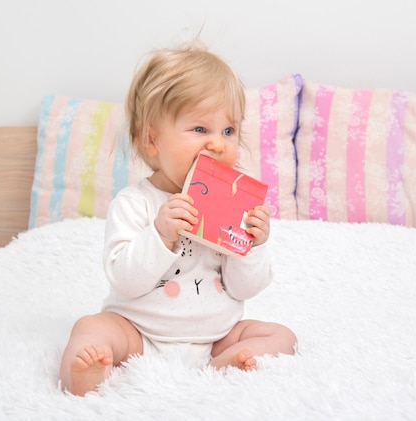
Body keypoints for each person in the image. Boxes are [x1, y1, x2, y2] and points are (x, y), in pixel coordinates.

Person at [59, 44, 297, 396]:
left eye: (228, 131)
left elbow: (243, 289)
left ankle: (219, 367)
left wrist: (253, 246)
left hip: (215, 337)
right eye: (201, 129)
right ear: (152, 140)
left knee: (282, 337)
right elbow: (124, 279)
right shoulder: (135, 203)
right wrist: (160, 234)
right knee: (91, 327)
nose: (218, 144)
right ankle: (85, 376)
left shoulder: (233, 205)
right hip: (139, 333)